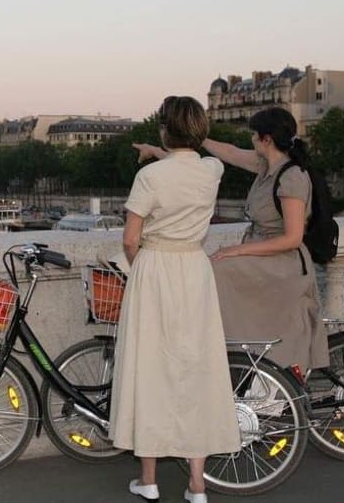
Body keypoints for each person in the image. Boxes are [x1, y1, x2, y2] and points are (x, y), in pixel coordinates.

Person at [110, 96, 240, 503]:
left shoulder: (149, 178)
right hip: (194, 271)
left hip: (155, 269)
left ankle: (149, 479)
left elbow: (131, 240)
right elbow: (188, 161)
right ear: (199, 130)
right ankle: (197, 485)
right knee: (196, 372)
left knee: (150, 370)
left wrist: (143, 264)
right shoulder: (212, 170)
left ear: (164, 130)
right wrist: (162, 149)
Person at [204, 106, 328, 372]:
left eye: (253, 134)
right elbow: (230, 153)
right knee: (214, 268)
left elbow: (293, 238)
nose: (250, 139)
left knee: (215, 270)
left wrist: (237, 251)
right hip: (265, 254)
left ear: (266, 139)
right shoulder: (266, 165)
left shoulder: (291, 176)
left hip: (283, 261)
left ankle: (230, 354)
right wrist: (196, 138)